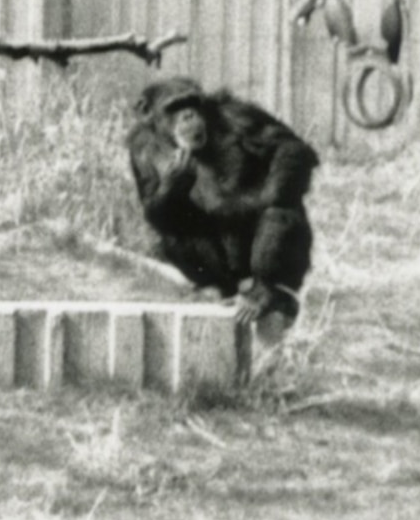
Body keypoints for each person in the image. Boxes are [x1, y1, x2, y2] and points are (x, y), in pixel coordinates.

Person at [124, 72, 319, 337]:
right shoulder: (144, 147)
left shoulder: (229, 115)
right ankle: (220, 287)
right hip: (216, 248)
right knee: (173, 236)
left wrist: (266, 198)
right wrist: (171, 188)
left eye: (192, 105)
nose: (189, 116)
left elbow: (295, 151)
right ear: (150, 115)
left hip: (260, 235)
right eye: (176, 109)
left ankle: (269, 289)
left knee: (280, 213)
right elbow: (158, 218)